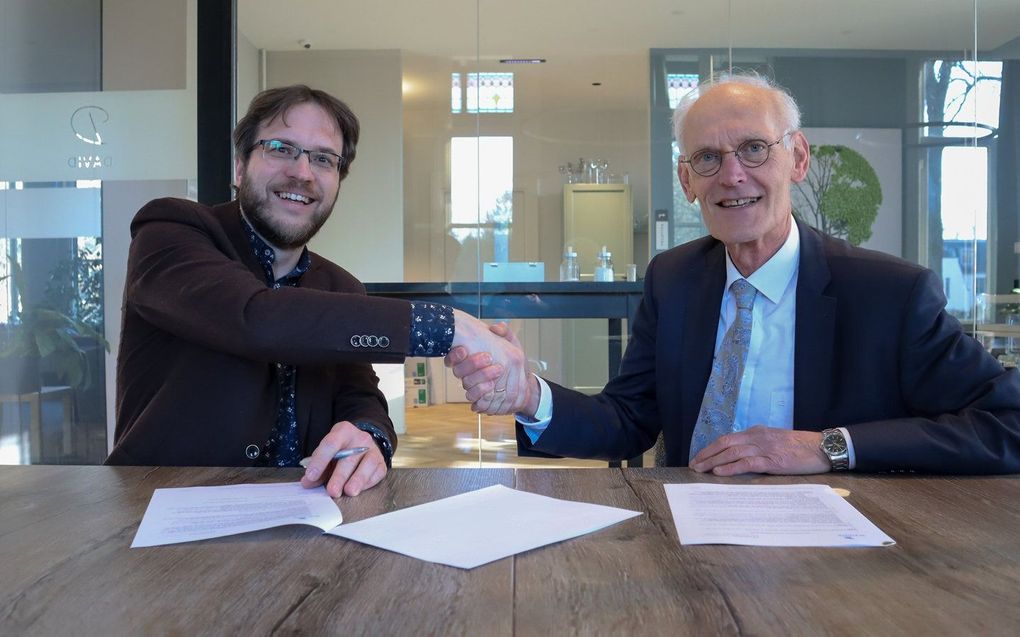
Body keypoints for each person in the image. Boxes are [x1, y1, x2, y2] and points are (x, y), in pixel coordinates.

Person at [448, 72, 1020, 475]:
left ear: (797, 158)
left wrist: (829, 448)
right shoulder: (673, 279)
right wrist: (529, 396)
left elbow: (1007, 424)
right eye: (707, 159)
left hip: (843, 557)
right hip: (687, 540)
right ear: (687, 180)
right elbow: (627, 420)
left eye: (752, 149)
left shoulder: (890, 294)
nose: (732, 175)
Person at [107, 85, 524, 496]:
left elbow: (359, 394)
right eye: (280, 148)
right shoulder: (171, 232)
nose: (302, 172)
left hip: (306, 521)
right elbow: (258, 318)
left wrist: (369, 435)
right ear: (240, 166)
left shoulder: (341, 287)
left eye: (323, 159)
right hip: (160, 510)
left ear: (338, 181)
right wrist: (449, 327)